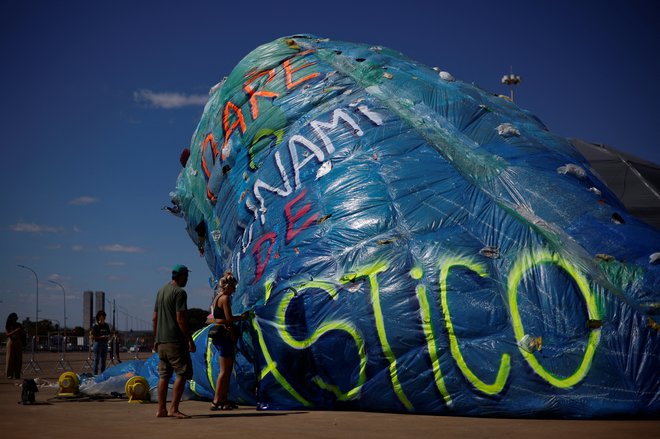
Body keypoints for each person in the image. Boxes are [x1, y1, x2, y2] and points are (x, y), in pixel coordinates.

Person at [153, 264, 196, 418]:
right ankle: (174, 409)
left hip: (161, 341)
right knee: (181, 373)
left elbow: (154, 317)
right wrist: (190, 339)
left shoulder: (161, 291)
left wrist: (156, 338)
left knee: (163, 375)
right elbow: (180, 319)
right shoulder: (180, 293)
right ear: (182, 276)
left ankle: (161, 409)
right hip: (175, 341)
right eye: (187, 276)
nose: (188, 279)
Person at [208, 271, 249, 410]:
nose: (234, 290)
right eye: (233, 287)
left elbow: (216, 317)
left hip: (218, 336)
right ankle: (216, 400)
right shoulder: (225, 298)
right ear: (228, 287)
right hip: (224, 336)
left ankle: (224, 399)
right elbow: (229, 318)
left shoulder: (217, 297)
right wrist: (242, 318)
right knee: (225, 371)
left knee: (226, 370)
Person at [90, 310, 111, 375]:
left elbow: (109, 333)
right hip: (97, 343)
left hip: (105, 343)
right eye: (103, 316)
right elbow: (93, 337)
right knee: (96, 360)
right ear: (99, 317)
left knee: (103, 360)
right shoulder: (96, 326)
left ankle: (102, 374)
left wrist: (108, 336)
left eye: (105, 316)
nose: (104, 318)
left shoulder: (106, 325)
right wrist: (101, 337)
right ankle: (95, 375)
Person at [5, 313, 24, 379]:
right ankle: (9, 374)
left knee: (18, 359)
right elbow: (7, 334)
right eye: (15, 317)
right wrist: (15, 331)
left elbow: (22, 333)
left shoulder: (18, 324)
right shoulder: (8, 325)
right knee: (10, 359)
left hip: (18, 342)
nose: (16, 318)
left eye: (16, 317)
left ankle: (17, 374)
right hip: (11, 343)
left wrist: (21, 330)